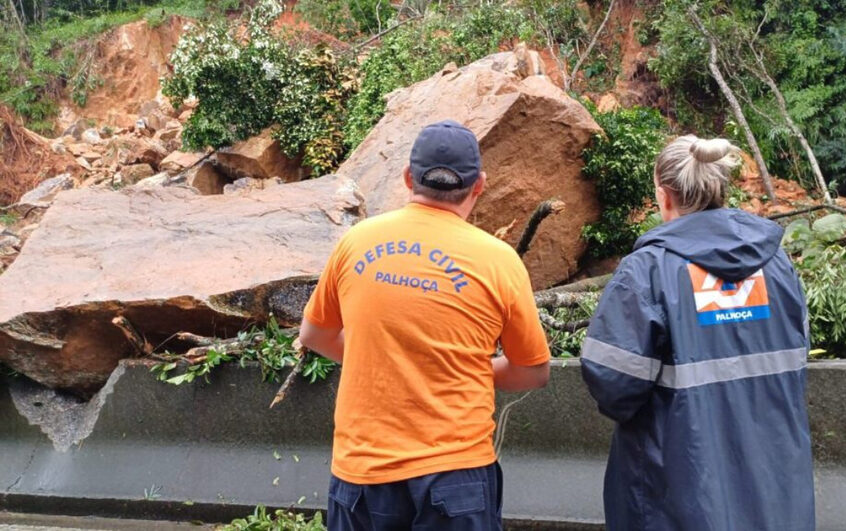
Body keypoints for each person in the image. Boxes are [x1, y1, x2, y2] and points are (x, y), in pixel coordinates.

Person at [300, 120, 551, 531]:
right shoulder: (499, 261)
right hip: (457, 476)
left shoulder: (356, 242)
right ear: (479, 186)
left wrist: (380, 357)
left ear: (407, 178)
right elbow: (533, 372)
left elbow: (314, 334)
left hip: (363, 474)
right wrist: (461, 367)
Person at [580, 135, 815, 530]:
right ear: (720, 188)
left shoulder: (647, 272)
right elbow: (796, 352)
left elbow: (613, 382)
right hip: (776, 486)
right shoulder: (776, 264)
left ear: (664, 195)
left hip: (676, 489)